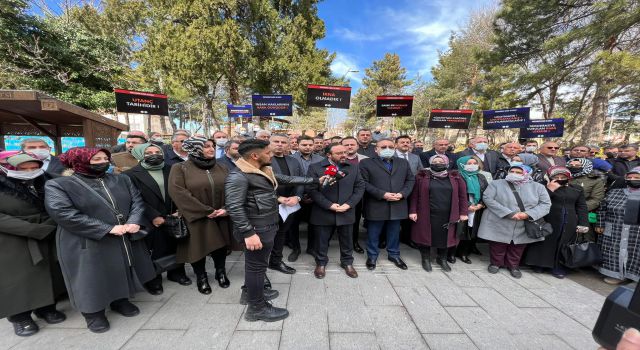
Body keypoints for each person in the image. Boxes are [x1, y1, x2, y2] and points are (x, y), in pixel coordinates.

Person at [44, 147, 156, 333]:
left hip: (121, 234)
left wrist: (134, 221)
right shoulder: (60, 184)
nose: (102, 162)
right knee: (89, 276)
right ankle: (93, 313)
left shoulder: (121, 179)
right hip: (85, 238)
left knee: (119, 268)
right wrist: (107, 228)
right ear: (79, 161)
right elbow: (63, 213)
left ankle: (120, 300)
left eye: (105, 158)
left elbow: (136, 201)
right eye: (96, 159)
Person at [224, 139, 319, 322]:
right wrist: (249, 234)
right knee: (257, 268)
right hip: (256, 229)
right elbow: (234, 207)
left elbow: (286, 179)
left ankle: (248, 294)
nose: (271, 155)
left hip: (265, 225)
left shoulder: (262, 170)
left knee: (254, 266)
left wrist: (315, 180)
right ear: (254, 155)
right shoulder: (239, 176)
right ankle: (256, 308)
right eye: (267, 153)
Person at [0, 153, 67, 336]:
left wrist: (50, 223)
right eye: (24, 168)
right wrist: (30, 229)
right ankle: (20, 317)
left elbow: (61, 204)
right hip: (14, 237)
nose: (30, 171)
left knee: (49, 271)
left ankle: (46, 307)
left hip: (47, 229)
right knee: (18, 278)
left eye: (33, 167)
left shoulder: (45, 180)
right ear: (12, 168)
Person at [124, 144, 192, 295]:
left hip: (174, 214)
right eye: (149, 152)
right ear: (141, 154)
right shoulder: (130, 174)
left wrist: (180, 210)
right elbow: (135, 199)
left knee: (176, 243)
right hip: (149, 218)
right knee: (155, 248)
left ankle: (177, 273)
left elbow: (182, 189)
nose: (154, 154)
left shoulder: (172, 168)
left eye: (157, 152)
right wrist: (153, 216)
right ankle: (154, 279)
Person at [168, 136, 232, 294]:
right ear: (194, 148)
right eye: (206, 146)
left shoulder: (222, 167)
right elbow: (178, 192)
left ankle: (220, 272)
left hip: (220, 214)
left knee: (221, 246)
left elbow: (232, 188)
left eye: (212, 146)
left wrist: (226, 208)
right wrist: (206, 211)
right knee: (198, 247)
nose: (211, 149)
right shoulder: (180, 168)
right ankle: (201, 277)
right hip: (196, 216)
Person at [477, 164, 551, 279]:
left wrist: (527, 214)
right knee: (497, 244)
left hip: (524, 220)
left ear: (526, 173)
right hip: (499, 218)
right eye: (512, 171)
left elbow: (545, 204)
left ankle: (513, 265)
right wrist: (509, 213)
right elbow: (488, 198)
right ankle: (496, 263)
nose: (514, 174)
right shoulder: (496, 183)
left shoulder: (538, 187)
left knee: (518, 246)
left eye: (518, 172)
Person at [306, 143, 365, 279]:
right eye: (339, 153)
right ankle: (321, 263)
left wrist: (349, 205)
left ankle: (347, 263)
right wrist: (329, 205)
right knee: (321, 240)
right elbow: (311, 189)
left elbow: (360, 187)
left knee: (347, 240)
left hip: (346, 211)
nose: (344, 155)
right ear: (329, 155)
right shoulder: (315, 167)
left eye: (344, 152)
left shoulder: (354, 168)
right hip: (323, 211)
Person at [359, 138, 415, 270]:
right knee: (373, 232)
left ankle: (394, 254)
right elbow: (363, 183)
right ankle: (372, 256)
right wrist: (382, 194)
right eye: (383, 147)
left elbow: (410, 180)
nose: (387, 149)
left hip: (398, 203)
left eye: (390, 146)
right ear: (376, 149)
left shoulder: (403, 162)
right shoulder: (366, 163)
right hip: (376, 203)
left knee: (394, 232)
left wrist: (402, 194)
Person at [523, 166, 589, 278]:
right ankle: (540, 264)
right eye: (556, 176)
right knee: (545, 241)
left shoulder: (577, 188)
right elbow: (536, 202)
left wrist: (583, 223)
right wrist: (550, 189)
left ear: (568, 177)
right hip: (549, 219)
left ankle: (558, 266)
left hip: (569, 221)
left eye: (562, 177)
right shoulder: (543, 187)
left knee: (564, 243)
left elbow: (581, 206)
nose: (559, 178)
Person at [409, 155, 468, 272]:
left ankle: (442, 259)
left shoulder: (456, 177)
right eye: (434, 161)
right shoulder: (422, 177)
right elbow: (414, 195)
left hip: (449, 213)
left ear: (446, 163)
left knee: (446, 237)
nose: (437, 163)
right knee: (425, 235)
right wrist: (413, 211)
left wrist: (463, 212)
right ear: (430, 163)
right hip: (426, 212)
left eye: (440, 161)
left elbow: (462, 196)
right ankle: (425, 259)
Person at [595, 167, 640, 285]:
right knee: (613, 252)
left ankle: (633, 276)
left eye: (636, 178)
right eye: (629, 177)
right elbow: (602, 209)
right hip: (615, 228)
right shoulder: (614, 192)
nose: (632, 179)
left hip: (636, 232)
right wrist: (600, 223)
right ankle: (616, 275)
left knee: (634, 253)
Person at [268, 134, 305, 270]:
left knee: (282, 233)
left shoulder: (294, 161)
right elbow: (258, 184)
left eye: (283, 142)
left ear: (288, 145)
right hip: (269, 204)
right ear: (269, 143)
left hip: (290, 204)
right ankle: (259, 265)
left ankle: (276, 261)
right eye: (276, 141)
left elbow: (301, 180)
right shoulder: (263, 160)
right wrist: (277, 198)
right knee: (266, 236)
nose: (280, 144)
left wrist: (298, 197)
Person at [454, 155, 492, 264]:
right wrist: (467, 204)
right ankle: (455, 252)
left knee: (472, 231)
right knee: (460, 230)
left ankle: (465, 252)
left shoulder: (481, 177)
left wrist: (481, 204)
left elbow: (486, 192)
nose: (472, 166)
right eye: (469, 163)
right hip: (461, 208)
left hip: (477, 209)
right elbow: (454, 194)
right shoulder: (457, 176)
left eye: (475, 163)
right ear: (462, 164)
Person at [567, 158, 606, 242]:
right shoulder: (563, 176)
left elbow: (596, 199)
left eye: (578, 165)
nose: (573, 167)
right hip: (565, 213)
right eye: (571, 165)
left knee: (582, 242)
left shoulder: (595, 179)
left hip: (583, 215)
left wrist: (578, 210)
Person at [341, 136, 368, 253]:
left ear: (357, 146)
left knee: (355, 221)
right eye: (346, 145)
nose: (349, 147)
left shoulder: (366, 159)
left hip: (358, 196)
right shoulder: (337, 158)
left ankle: (354, 242)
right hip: (339, 195)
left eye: (352, 144)